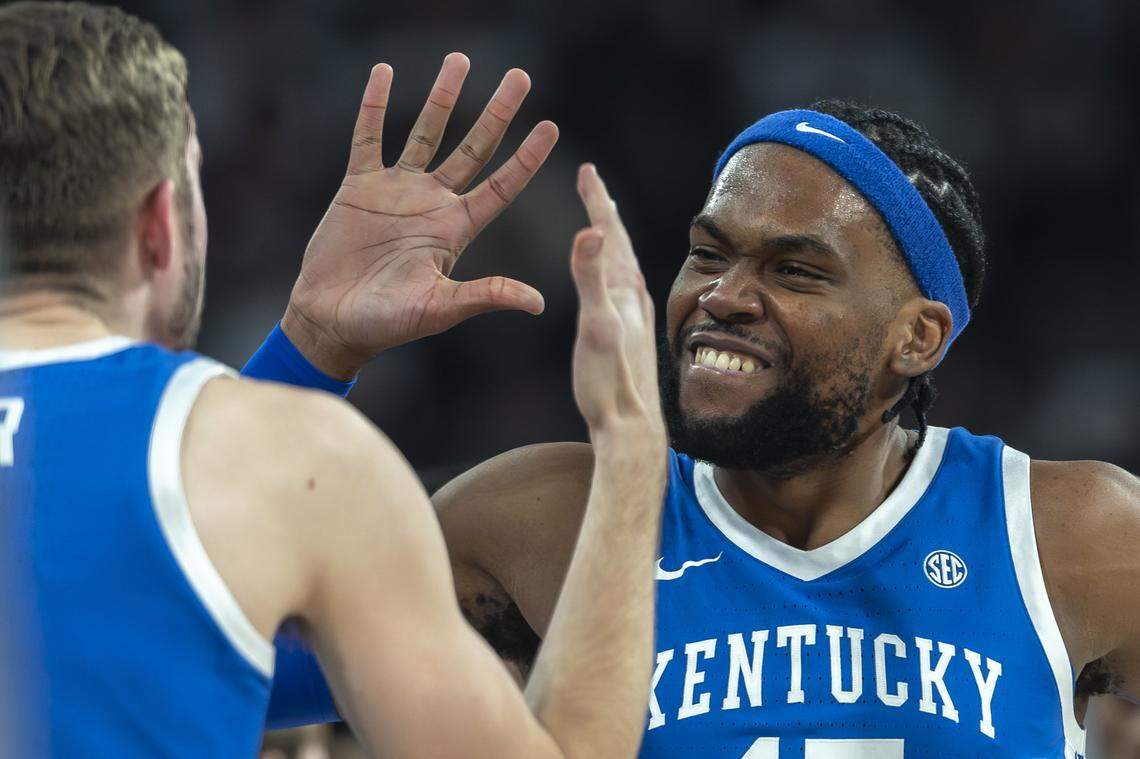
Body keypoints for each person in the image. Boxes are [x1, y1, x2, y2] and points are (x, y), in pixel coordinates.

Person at [264, 100, 1140, 754]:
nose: (721, 296)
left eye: (795, 270)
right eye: (709, 252)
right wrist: (313, 344)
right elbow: (211, 656)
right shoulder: (545, 521)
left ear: (918, 337)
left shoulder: (1073, 534)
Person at [0, 3, 667, 757]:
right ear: (161, 220)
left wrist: (309, 347)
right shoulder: (318, 464)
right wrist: (633, 447)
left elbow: (166, 648)